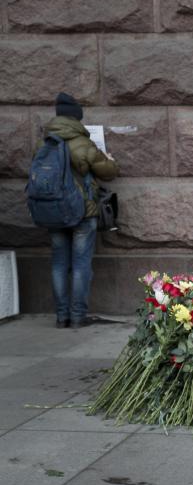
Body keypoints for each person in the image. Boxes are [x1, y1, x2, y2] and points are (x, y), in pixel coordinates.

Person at [37, 92, 118, 328]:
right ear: (76, 117)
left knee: (59, 263)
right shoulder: (83, 143)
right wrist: (110, 159)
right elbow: (108, 171)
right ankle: (78, 315)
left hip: (52, 211)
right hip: (82, 212)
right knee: (81, 264)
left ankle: (62, 317)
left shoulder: (44, 142)